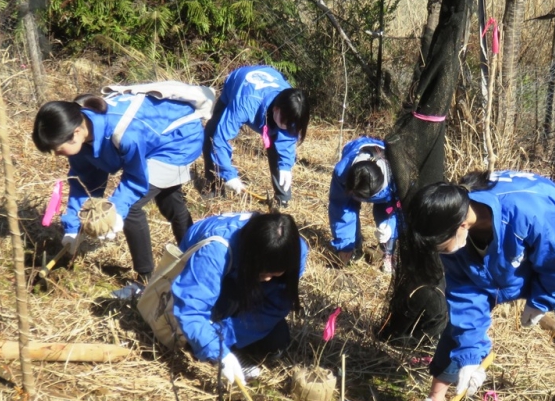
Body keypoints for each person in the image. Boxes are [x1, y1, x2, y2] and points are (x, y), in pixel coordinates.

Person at [403, 170, 555, 401]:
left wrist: (542, 301)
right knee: (458, 328)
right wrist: (470, 356)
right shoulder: (449, 228)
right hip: (501, 267)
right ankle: (435, 400)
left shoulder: (529, 211)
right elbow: (465, 299)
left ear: (460, 224)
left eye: (439, 246)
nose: (440, 253)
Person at [32, 87, 206, 284]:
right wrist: (73, 227)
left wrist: (114, 213)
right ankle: (197, 257)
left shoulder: (122, 133)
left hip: (178, 140)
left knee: (131, 208)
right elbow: (85, 181)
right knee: (170, 202)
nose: (56, 155)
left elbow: (135, 179)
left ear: (76, 132)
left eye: (58, 150)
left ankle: (144, 281)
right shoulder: (83, 136)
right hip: (156, 140)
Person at [171, 212, 308, 383]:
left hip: (242, 277)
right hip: (217, 278)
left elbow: (275, 306)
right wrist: (218, 351)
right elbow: (191, 309)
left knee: (276, 339)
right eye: (262, 272)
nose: (266, 279)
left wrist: (226, 336)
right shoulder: (215, 251)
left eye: (273, 274)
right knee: (206, 327)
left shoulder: (294, 252)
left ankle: (227, 343)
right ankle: (215, 342)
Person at [202, 65, 310, 207]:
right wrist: (229, 175)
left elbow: (287, 140)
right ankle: (214, 186)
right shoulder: (244, 105)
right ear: (276, 109)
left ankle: (282, 199)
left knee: (278, 151)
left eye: (292, 125)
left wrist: (286, 165)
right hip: (239, 84)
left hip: (269, 80)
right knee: (212, 131)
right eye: (285, 123)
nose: (287, 128)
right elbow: (220, 138)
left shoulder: (294, 106)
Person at [328, 136, 400, 274]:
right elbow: (340, 208)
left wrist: (390, 227)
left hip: (389, 195)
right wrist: (345, 244)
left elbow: (402, 207)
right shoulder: (342, 171)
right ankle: (353, 248)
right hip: (354, 177)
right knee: (347, 209)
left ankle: (389, 251)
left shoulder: (398, 175)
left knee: (385, 220)